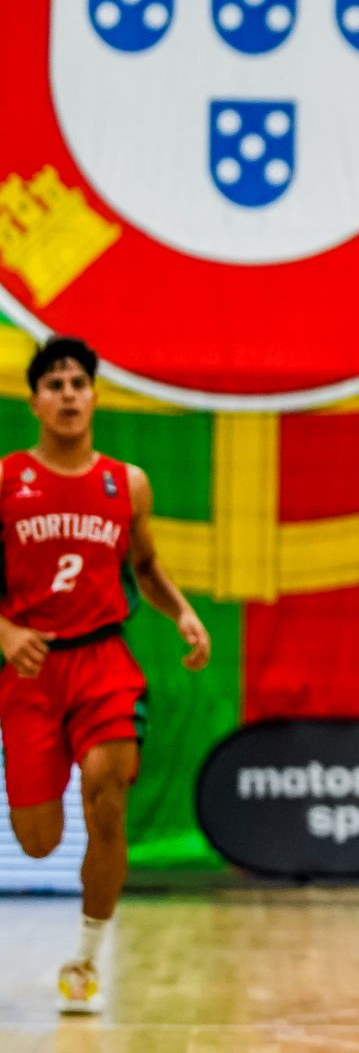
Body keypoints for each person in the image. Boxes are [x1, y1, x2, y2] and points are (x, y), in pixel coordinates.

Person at [0, 336, 211, 1012]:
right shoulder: (7, 480)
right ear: (33, 400)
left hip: (102, 661)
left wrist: (183, 613)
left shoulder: (127, 482)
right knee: (38, 841)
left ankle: (87, 958)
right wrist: (5, 631)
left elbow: (144, 567)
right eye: (54, 383)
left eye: (78, 382)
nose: (67, 393)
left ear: (94, 397)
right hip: (31, 670)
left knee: (106, 793)